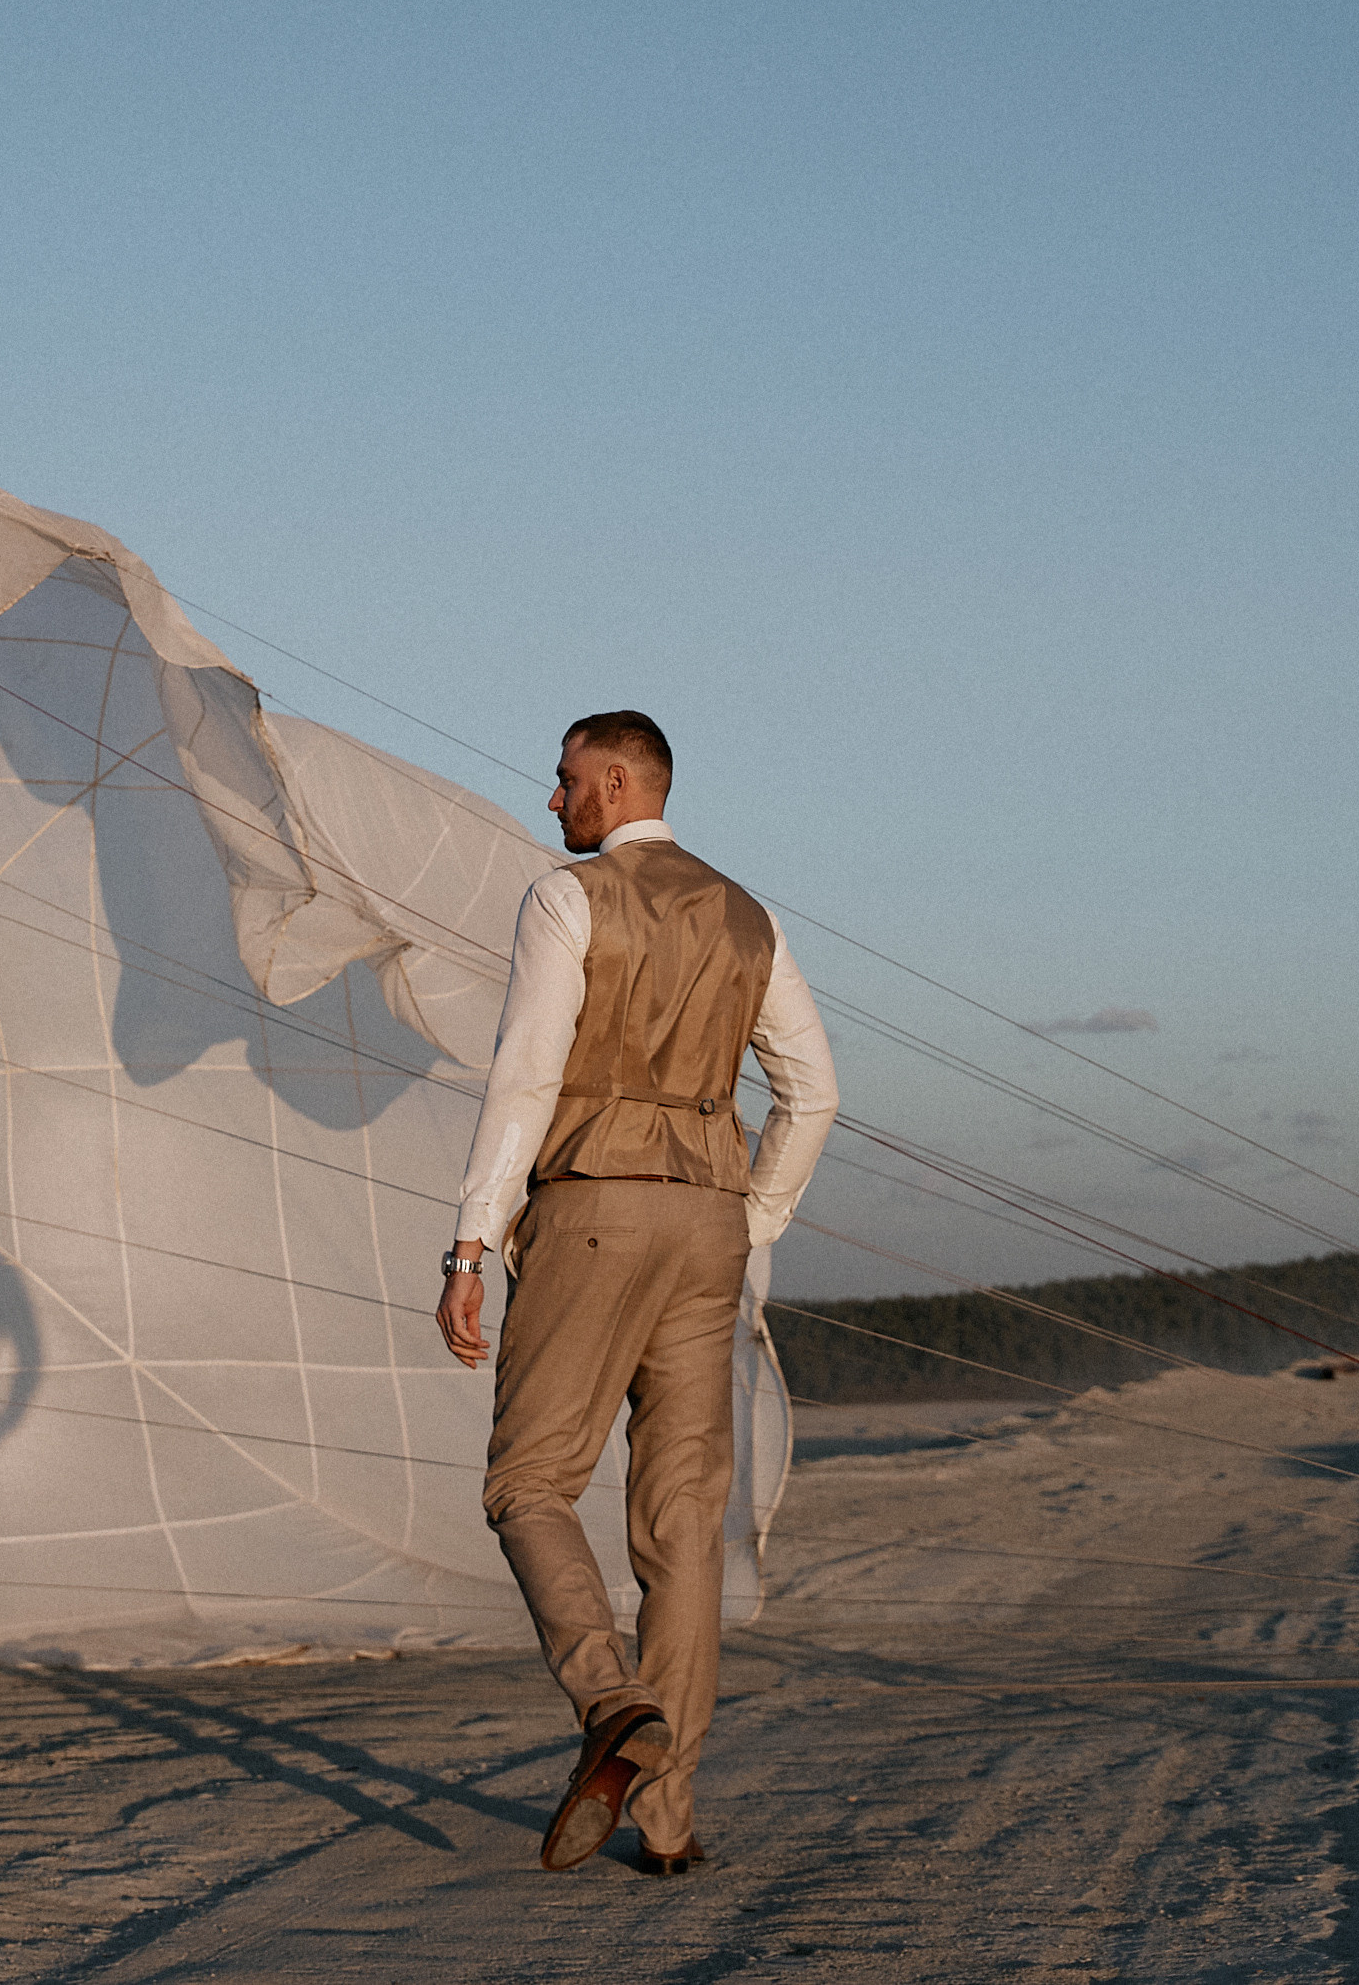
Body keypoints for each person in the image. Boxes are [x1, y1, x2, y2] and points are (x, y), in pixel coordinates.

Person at [436, 708, 837, 1876]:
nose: (550, 798)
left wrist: (469, 1244)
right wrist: (749, 1219)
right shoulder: (750, 916)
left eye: (564, 777)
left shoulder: (568, 898)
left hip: (593, 1207)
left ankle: (610, 1698)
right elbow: (812, 1092)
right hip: (709, 1221)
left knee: (527, 1480)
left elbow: (525, 1074)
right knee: (681, 1520)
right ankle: (666, 1819)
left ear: (615, 782)